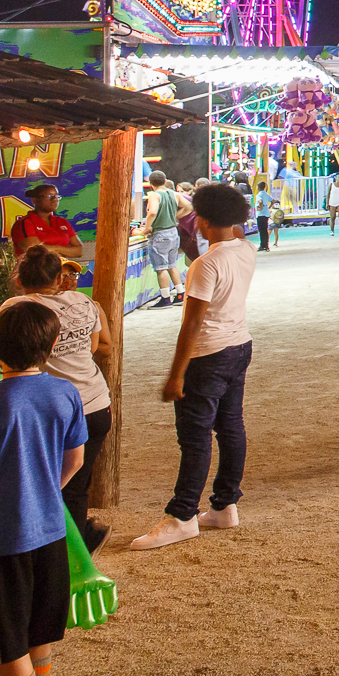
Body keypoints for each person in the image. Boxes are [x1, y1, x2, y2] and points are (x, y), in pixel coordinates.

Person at [129, 182, 259, 551]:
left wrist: (175, 374)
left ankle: (183, 514)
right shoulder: (246, 250)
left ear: (203, 220)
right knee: (231, 426)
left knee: (196, 436)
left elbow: (192, 324)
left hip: (208, 354)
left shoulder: (205, 265)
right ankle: (225, 503)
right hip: (239, 344)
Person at [0, 300, 87, 676]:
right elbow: (74, 460)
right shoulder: (66, 392)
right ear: (54, 343)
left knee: (6, 645)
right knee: (38, 629)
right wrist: (43, 491)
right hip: (50, 531)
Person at [0, 248, 111, 551]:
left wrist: (7, 364)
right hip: (95, 403)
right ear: (60, 278)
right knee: (75, 485)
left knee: (36, 481)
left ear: (18, 279)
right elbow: (95, 345)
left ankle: (54, 550)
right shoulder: (85, 302)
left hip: (49, 409)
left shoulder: (18, 305)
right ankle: (78, 547)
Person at [134, 170, 189, 308]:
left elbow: (152, 212)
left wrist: (147, 227)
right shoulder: (174, 194)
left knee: (161, 268)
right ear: (165, 181)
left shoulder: (154, 196)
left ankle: (165, 298)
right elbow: (189, 207)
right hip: (173, 232)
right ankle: (180, 294)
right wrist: (175, 216)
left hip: (160, 235)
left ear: (150, 184)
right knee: (172, 265)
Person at [9, 184, 84, 256]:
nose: (54, 199)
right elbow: (35, 251)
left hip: (60, 267)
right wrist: (65, 250)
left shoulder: (62, 222)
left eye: (57, 196)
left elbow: (79, 251)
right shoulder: (24, 223)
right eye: (49, 196)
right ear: (34, 200)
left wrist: (53, 248)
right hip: (35, 268)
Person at [251, 178, 276, 254]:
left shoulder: (259, 195)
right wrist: (269, 206)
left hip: (260, 213)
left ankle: (262, 245)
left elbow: (260, 201)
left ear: (258, 187)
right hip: (266, 213)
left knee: (261, 230)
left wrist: (260, 207)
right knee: (265, 230)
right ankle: (266, 245)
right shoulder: (266, 194)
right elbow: (273, 200)